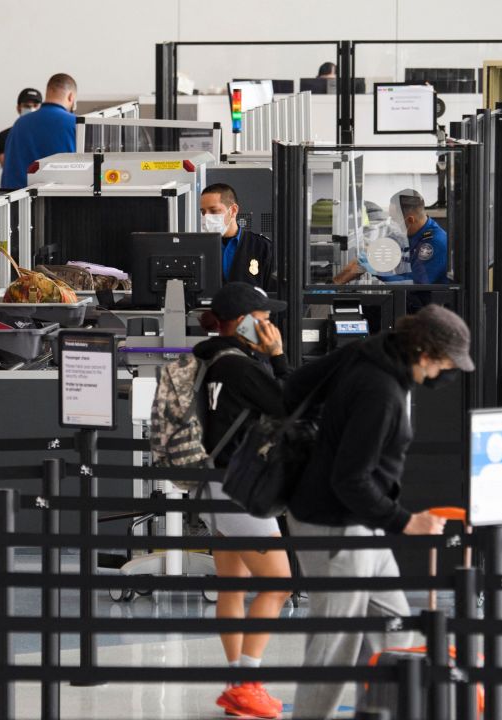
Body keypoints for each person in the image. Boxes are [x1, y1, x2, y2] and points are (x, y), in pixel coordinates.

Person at [283, 304, 474, 720]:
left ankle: (381, 713)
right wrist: (407, 521)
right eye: (446, 361)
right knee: (335, 647)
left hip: (356, 521)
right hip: (333, 523)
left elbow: (296, 385)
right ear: (424, 351)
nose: (447, 372)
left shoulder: (372, 350)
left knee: (393, 632)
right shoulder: (381, 392)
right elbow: (349, 480)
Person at [193, 283, 293, 719]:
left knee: (232, 586)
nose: (270, 324)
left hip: (213, 483)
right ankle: (248, 681)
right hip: (239, 487)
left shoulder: (209, 357)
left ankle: (237, 685)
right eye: (263, 316)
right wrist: (278, 357)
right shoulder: (242, 367)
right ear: (242, 320)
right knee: (278, 582)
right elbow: (292, 406)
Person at [333, 189, 450, 290]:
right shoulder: (401, 235)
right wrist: (334, 285)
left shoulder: (435, 243)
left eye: (395, 219)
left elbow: (415, 285)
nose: (393, 224)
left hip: (425, 307)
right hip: (404, 299)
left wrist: (380, 272)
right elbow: (368, 257)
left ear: (410, 220)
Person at [0, 74, 78, 191]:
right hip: (60, 202)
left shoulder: (20, 124)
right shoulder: (76, 124)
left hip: (19, 202)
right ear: (71, 97)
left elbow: (9, 173)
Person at [201, 183, 277, 292]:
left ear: (233, 211)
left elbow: (275, 297)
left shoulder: (263, 248)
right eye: (203, 212)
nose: (206, 217)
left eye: (214, 211)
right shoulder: (200, 249)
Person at [0, 87, 43, 168]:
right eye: (27, 106)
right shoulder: (4, 136)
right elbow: (8, 166)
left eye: (35, 105)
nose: (31, 109)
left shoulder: (47, 135)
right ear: (18, 108)